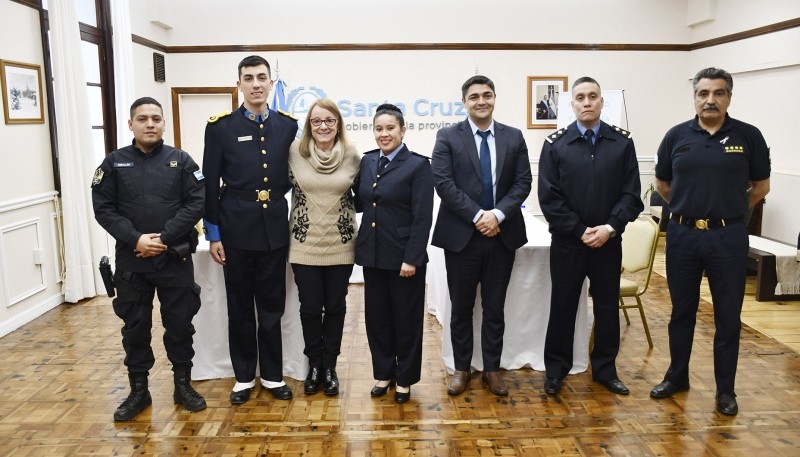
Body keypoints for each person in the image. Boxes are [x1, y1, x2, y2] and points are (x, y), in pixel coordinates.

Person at [651, 67, 771, 416]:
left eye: (718, 93)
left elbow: (761, 188)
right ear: (695, 98)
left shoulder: (748, 137)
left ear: (729, 97)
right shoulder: (676, 137)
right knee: (681, 312)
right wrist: (688, 213)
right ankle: (677, 377)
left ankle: (725, 391)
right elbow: (663, 186)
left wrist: (731, 214)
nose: (710, 100)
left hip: (728, 238)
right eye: (703, 93)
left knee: (728, 316)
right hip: (684, 235)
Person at [92, 97, 206, 421]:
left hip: (173, 258)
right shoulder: (113, 163)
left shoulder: (181, 161)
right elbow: (104, 209)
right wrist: (136, 239)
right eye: (142, 119)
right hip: (133, 261)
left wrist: (163, 238)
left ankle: (182, 386)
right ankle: (138, 392)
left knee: (180, 325)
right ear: (131, 124)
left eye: (156, 118)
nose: (150, 124)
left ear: (164, 124)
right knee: (135, 328)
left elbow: (197, 202)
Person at [538, 76, 643, 397]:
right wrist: (580, 230)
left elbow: (632, 195)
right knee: (563, 307)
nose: (587, 102)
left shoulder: (622, 143)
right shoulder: (556, 145)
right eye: (580, 97)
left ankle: (606, 370)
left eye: (592, 96)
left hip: (608, 243)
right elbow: (549, 198)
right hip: (569, 244)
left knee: (608, 308)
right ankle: (556, 370)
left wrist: (609, 228)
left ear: (601, 102)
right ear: (572, 104)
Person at [202, 55, 299, 404]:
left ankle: (272, 376)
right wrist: (213, 233)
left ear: (271, 83)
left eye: (262, 77)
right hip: (235, 227)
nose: (256, 83)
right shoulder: (220, 128)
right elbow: (210, 184)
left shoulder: (287, 126)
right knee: (240, 307)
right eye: (249, 77)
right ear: (239, 84)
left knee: (272, 308)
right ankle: (244, 376)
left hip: (274, 225)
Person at [432, 75, 532, 397]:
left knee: (495, 307)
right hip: (462, 237)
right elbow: (443, 183)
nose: (481, 101)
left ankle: (492, 369)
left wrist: (497, 214)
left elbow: (523, 182)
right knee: (461, 308)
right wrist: (478, 216)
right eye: (474, 96)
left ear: (494, 98)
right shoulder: (447, 136)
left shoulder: (513, 137)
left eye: (487, 95)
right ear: (464, 102)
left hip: (501, 235)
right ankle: (461, 369)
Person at [355, 103, 434, 404]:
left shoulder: (417, 165)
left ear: (403, 130)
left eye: (390, 128)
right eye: (379, 128)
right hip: (373, 254)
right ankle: (384, 372)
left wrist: (411, 258)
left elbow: (422, 216)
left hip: (404, 257)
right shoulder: (367, 161)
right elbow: (361, 202)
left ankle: (405, 378)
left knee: (406, 320)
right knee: (378, 319)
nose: (384, 133)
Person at [288, 99, 360, 396]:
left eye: (329, 120)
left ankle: (330, 366)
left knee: (335, 307)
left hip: (340, 244)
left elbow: (366, 195)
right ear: (309, 126)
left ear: (338, 124)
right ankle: (313, 365)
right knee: (309, 308)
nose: (323, 127)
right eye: (316, 121)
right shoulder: (295, 152)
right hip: (303, 243)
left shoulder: (353, 155)